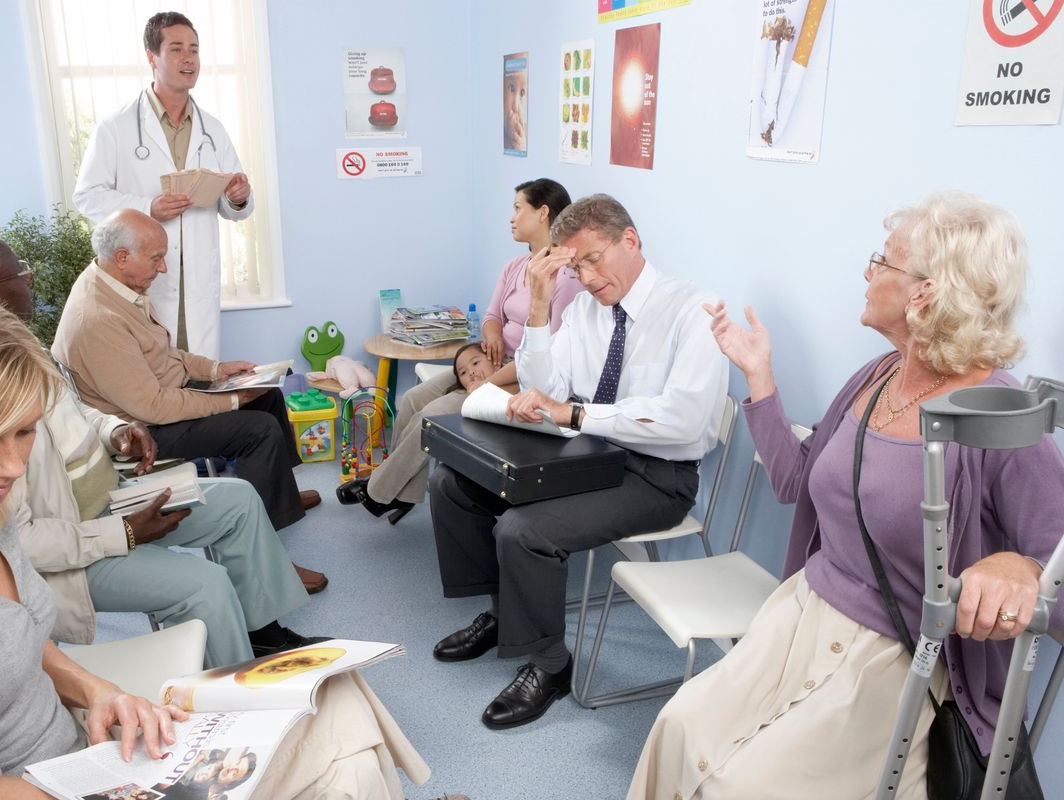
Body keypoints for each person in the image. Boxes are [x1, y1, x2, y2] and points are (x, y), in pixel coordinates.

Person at [0, 291, 439, 800]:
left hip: (84, 752)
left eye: (23, 432)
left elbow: (21, 639)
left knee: (333, 693)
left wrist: (100, 691)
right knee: (343, 763)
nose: (14, 466)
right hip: (44, 784)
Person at [627, 191, 1064, 799]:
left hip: (896, 660)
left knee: (742, 789)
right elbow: (795, 483)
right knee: (677, 729)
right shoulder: (879, 376)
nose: (867, 271)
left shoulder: (998, 421)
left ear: (925, 293)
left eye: (882, 261)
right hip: (800, 615)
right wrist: (760, 378)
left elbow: (1055, 583)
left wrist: (1018, 566)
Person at [0, 232, 327, 667]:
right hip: (75, 544)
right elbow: (20, 543)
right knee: (205, 583)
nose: (30, 281)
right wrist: (125, 533)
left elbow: (76, 412)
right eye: (22, 273)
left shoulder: (19, 346)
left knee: (239, 501)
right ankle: (237, 688)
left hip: (110, 496)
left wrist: (115, 430)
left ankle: (263, 639)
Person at [429, 193, 729, 729]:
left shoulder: (693, 310)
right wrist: (541, 308)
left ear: (630, 241)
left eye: (594, 260)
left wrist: (576, 415)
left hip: (657, 476)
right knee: (454, 481)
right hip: (585, 454)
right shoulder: (587, 309)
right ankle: (504, 613)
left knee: (523, 529)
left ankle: (550, 665)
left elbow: (682, 421)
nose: (586, 278)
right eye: (575, 266)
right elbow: (545, 387)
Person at [52, 209, 318, 532]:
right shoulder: (97, 319)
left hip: (167, 396)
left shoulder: (118, 285)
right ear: (122, 257)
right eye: (156, 258)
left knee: (270, 398)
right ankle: (270, 531)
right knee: (258, 429)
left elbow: (165, 351)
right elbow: (153, 407)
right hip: (148, 429)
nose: (163, 268)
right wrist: (233, 400)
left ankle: (279, 493)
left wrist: (218, 370)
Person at [337, 178, 582, 519]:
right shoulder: (515, 267)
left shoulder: (566, 279)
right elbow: (492, 315)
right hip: (490, 357)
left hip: (523, 375)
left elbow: (549, 355)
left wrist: (489, 382)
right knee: (411, 399)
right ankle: (403, 491)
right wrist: (493, 334)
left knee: (432, 414)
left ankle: (379, 491)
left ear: (542, 213)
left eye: (517, 209)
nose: (510, 218)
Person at [73, 11, 252, 359]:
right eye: (176, 49)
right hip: (143, 271)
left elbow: (236, 205)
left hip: (197, 274)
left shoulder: (212, 129)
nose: (188, 58)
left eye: (194, 50)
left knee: (199, 373)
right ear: (151, 57)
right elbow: (87, 197)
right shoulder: (116, 127)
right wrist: (146, 208)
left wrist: (238, 197)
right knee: (151, 374)